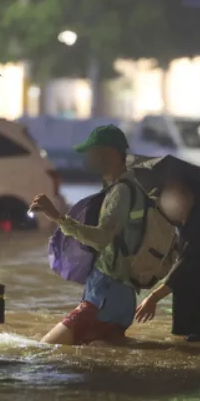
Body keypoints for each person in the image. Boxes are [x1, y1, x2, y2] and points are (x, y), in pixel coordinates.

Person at [30, 125, 144, 346]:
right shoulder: (122, 188)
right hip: (116, 296)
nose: (87, 157)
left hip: (105, 298)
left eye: (92, 151)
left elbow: (102, 238)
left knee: (45, 349)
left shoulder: (121, 192)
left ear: (109, 153)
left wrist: (57, 217)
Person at [135, 177, 200, 342]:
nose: (168, 199)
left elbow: (182, 269)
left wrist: (152, 298)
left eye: (175, 194)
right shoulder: (189, 228)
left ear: (191, 199)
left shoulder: (199, 231)